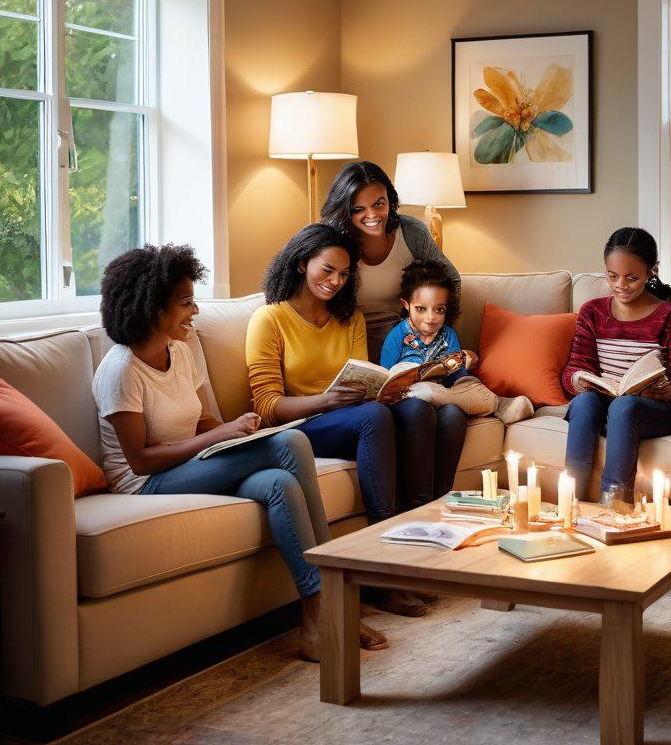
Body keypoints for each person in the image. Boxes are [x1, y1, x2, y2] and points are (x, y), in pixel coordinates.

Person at [91, 244, 386, 660]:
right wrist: (220, 437)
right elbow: (139, 460)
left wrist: (238, 433)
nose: (194, 311)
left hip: (189, 464)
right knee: (290, 441)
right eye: (186, 303)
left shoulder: (180, 351)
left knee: (280, 482)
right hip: (144, 483)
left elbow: (204, 424)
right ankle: (334, 605)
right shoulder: (121, 369)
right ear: (153, 308)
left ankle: (315, 619)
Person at [245, 223, 429, 617]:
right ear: (300, 263)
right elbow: (266, 406)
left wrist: (385, 389)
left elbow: (362, 379)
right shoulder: (270, 319)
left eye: (344, 275)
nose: (335, 281)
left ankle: (419, 550)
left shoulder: (349, 318)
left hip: (347, 418)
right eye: (327, 270)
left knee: (414, 409)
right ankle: (383, 572)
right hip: (298, 428)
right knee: (374, 418)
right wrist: (325, 401)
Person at [321, 160, 468, 509]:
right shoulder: (337, 241)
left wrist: (432, 333)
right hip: (359, 350)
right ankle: (415, 507)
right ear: (346, 210)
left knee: (452, 415)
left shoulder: (411, 231)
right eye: (358, 209)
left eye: (379, 203)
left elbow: (452, 281)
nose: (372, 214)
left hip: (411, 345)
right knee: (416, 412)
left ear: (391, 199)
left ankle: (436, 504)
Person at [561, 228, 671, 501]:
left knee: (625, 406)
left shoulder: (670, 315)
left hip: (654, 409)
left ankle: (614, 504)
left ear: (652, 272)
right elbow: (574, 368)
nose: (621, 284)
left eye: (632, 278)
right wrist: (578, 380)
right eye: (613, 276)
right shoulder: (593, 311)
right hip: (607, 400)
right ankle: (571, 501)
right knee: (584, 403)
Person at [380, 260, 534, 440]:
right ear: (406, 305)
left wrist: (467, 360)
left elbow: (456, 373)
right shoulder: (397, 335)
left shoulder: (448, 334)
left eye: (439, 310)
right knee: (419, 388)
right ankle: (489, 404)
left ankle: (495, 404)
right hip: (411, 395)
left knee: (468, 383)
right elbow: (385, 378)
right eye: (421, 309)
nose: (431, 318)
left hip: (446, 389)